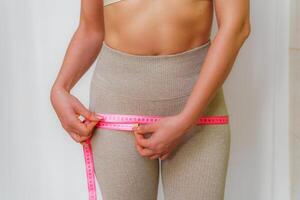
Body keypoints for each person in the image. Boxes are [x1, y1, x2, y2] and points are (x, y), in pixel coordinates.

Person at [50, 0, 250, 199]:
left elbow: (237, 26)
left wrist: (186, 120)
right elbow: (91, 29)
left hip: (199, 111)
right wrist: (60, 87)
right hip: (118, 104)